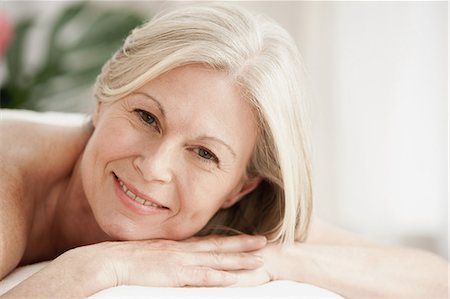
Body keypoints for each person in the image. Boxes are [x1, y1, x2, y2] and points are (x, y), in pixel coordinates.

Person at [0, 3, 447, 298]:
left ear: (239, 188)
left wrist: (279, 258)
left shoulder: (237, 212)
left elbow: (433, 278)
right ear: (103, 99)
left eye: (204, 154)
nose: (155, 167)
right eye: (146, 117)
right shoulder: (9, 186)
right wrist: (93, 270)